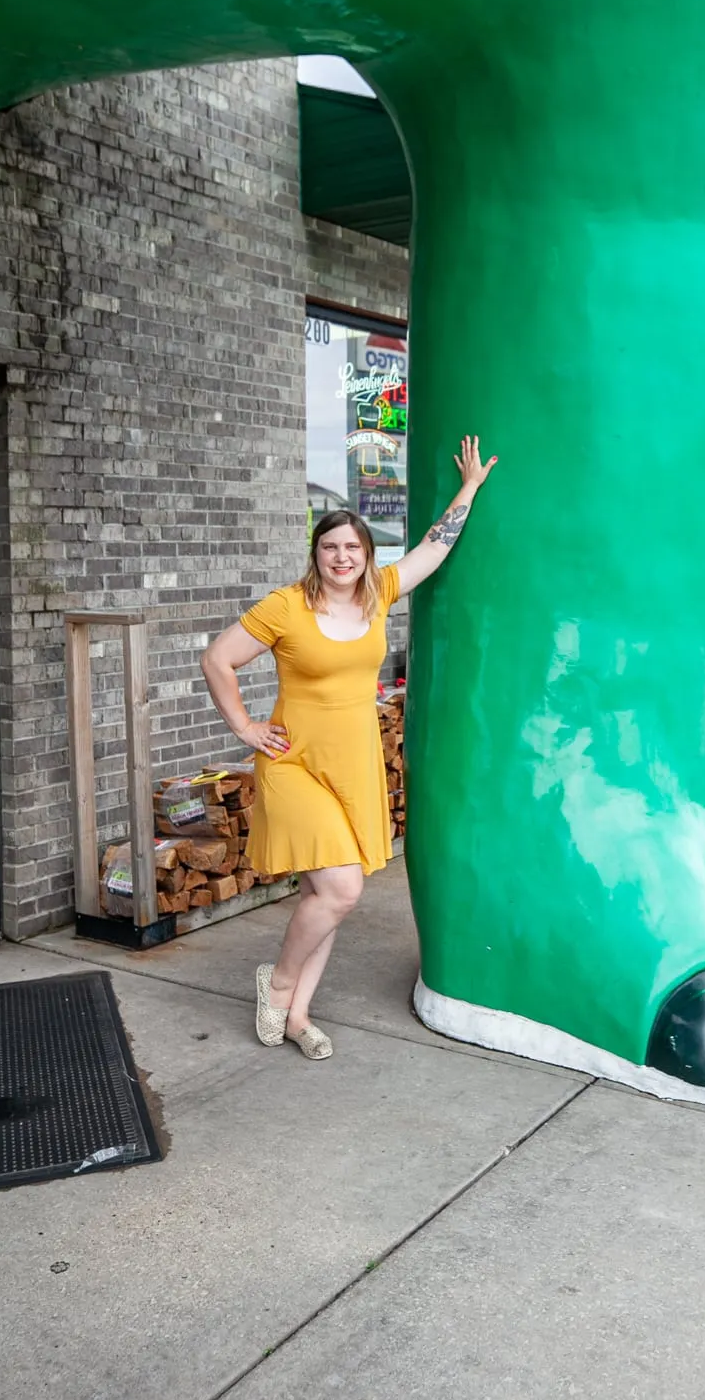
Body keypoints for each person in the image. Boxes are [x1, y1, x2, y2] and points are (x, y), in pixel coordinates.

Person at [201, 434, 497, 1060]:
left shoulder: (379, 594)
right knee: (340, 889)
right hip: (294, 763)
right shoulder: (287, 606)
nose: (341, 556)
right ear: (316, 553)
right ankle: (277, 983)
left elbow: (432, 551)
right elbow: (218, 660)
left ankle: (300, 1014)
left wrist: (468, 489)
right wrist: (246, 728)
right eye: (330, 546)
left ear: (365, 555)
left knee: (324, 896)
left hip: (354, 764)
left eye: (352, 547)